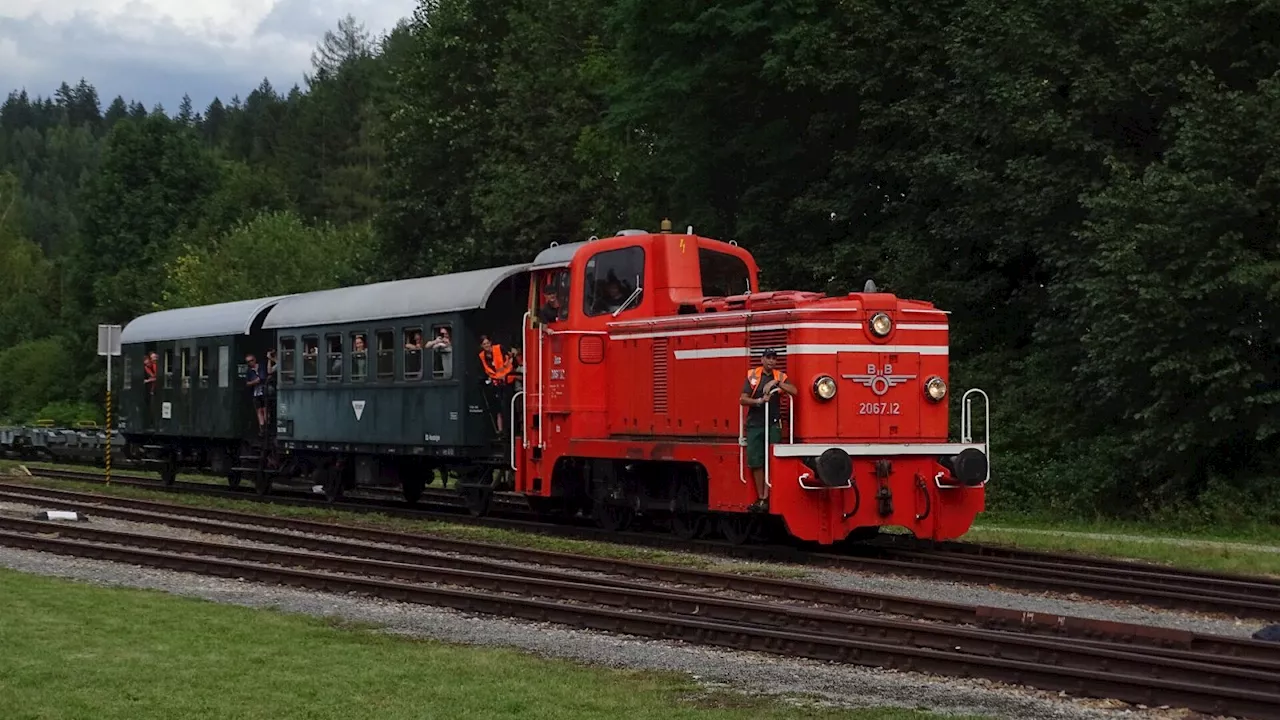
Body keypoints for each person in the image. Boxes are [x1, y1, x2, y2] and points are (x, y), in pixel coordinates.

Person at [739, 349, 797, 512]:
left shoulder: (780, 376)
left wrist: (777, 384)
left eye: (774, 358)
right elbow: (742, 398)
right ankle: (762, 497)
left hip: (773, 423)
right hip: (755, 424)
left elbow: (794, 391)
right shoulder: (753, 375)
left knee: (773, 460)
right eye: (768, 358)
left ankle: (771, 495)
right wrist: (759, 401)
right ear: (762, 359)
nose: (771, 361)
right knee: (756, 460)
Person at [478, 335, 512, 436]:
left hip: (507, 380)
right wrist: (494, 378)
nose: (486, 345)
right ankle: (500, 430)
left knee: (507, 406)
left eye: (487, 343)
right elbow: (487, 369)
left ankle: (509, 429)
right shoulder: (482, 356)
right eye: (484, 344)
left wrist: (505, 373)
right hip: (496, 382)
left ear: (491, 342)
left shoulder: (499, 348)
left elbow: (509, 358)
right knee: (498, 408)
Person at [245, 354, 267, 435]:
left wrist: (258, 380)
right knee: (259, 410)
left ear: (255, 359)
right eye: (248, 362)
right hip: (256, 393)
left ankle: (266, 425)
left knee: (265, 409)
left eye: (251, 360)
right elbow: (247, 383)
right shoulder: (249, 371)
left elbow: (263, 377)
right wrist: (254, 382)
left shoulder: (261, 367)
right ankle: (262, 428)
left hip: (264, 391)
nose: (250, 363)